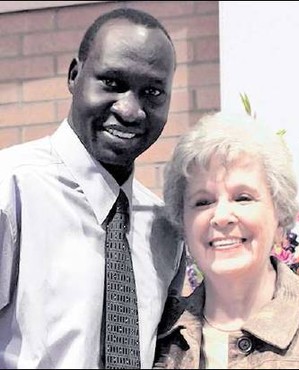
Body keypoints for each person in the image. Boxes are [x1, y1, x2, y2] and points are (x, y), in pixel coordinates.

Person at [0, 7, 185, 369]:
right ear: (74, 75)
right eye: (112, 83)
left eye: (152, 92)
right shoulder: (10, 189)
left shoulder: (165, 230)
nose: (131, 110)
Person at [153, 112, 299, 369]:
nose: (221, 217)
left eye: (243, 197)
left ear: (280, 216)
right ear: (183, 223)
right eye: (203, 202)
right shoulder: (160, 341)